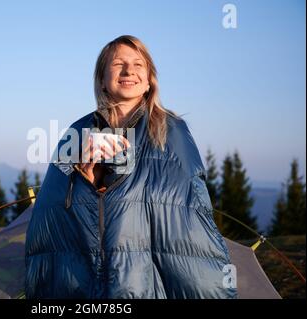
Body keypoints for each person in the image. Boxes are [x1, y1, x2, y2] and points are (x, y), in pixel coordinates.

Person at [25, 35, 237, 299]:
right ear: (102, 79)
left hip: (146, 282)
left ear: (149, 81)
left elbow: (190, 214)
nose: (129, 71)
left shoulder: (172, 132)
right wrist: (86, 177)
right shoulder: (76, 133)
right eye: (118, 64)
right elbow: (51, 214)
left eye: (138, 64)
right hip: (85, 283)